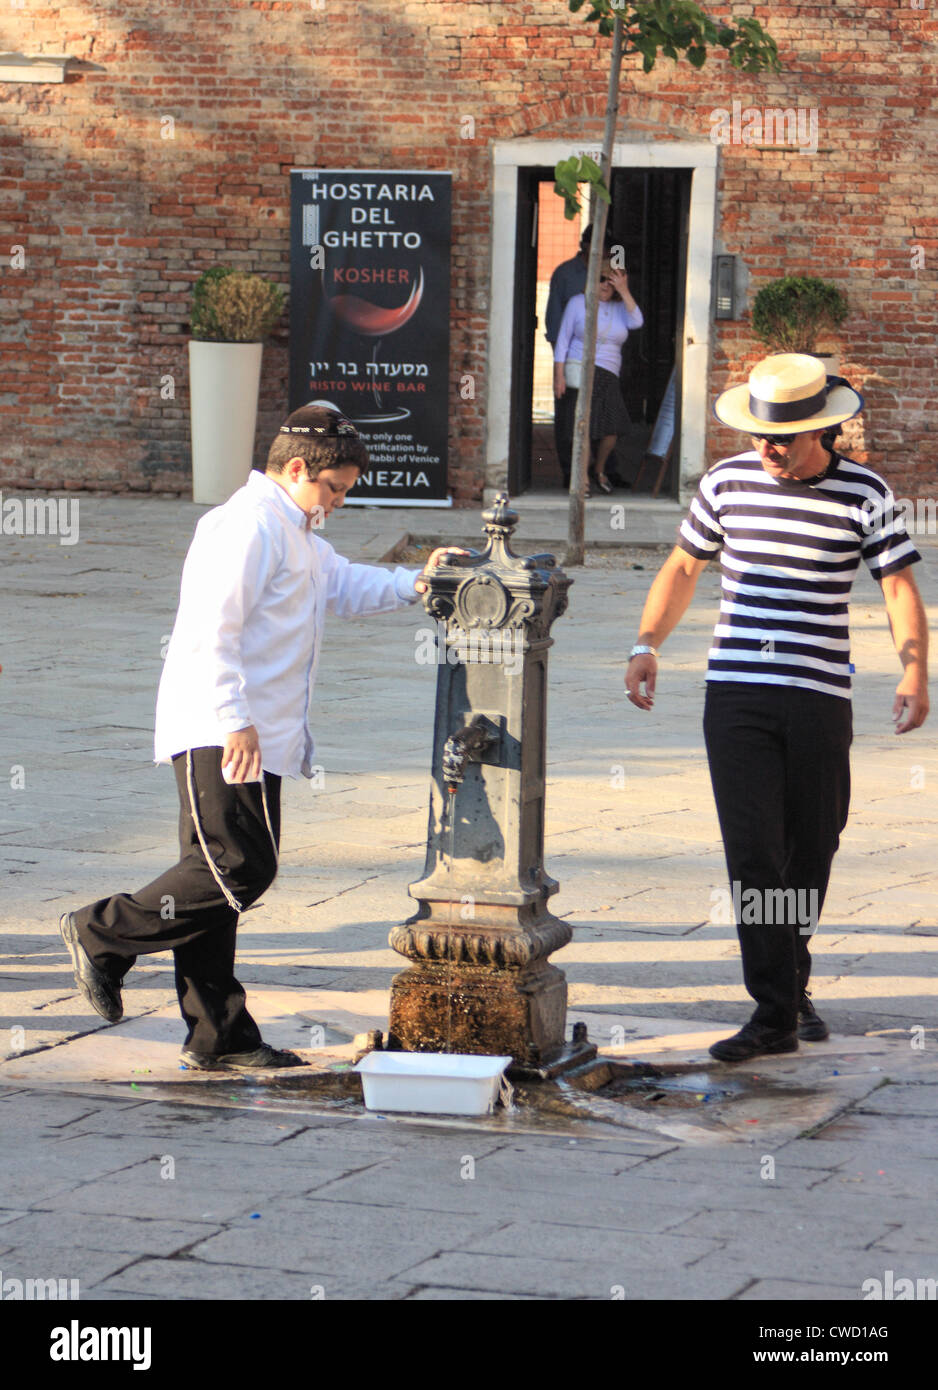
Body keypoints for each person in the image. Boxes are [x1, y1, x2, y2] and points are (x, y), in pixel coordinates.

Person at [59, 405, 456, 1072]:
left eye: (345, 493)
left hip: (256, 730)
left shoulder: (295, 529)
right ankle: (101, 933)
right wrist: (232, 718)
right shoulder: (244, 526)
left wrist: (416, 583)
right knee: (240, 868)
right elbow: (213, 630)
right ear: (297, 468)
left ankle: (219, 1036)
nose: (335, 503)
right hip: (223, 727)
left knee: (219, 872)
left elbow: (344, 584)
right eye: (332, 488)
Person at [625, 354, 929, 1062]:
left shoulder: (867, 494)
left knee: (811, 850)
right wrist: (647, 643)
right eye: (761, 435)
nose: (767, 449)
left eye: (782, 439)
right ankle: (773, 1012)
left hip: (819, 696)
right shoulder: (726, 483)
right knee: (755, 853)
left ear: (820, 431)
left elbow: (899, 589)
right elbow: (682, 567)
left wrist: (916, 671)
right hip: (736, 694)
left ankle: (792, 981)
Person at [553, 261, 643, 495]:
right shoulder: (577, 303)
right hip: (581, 371)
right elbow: (562, 340)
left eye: (610, 280)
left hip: (609, 375)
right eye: (601, 278)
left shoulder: (620, 308)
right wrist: (558, 376)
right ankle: (581, 479)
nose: (605, 284)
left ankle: (599, 469)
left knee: (611, 429)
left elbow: (637, 321)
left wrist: (624, 290)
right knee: (581, 428)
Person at [545, 224, 611, 488]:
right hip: (571, 359)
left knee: (603, 418)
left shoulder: (609, 274)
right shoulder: (565, 274)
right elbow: (555, 324)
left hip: (604, 361)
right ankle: (569, 474)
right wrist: (559, 366)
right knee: (567, 419)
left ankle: (601, 470)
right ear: (585, 245)